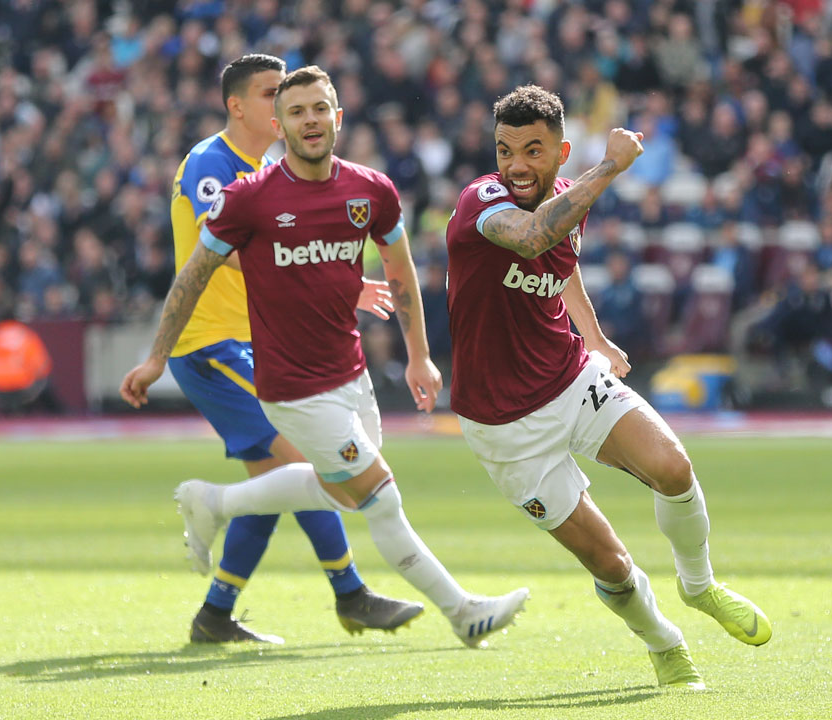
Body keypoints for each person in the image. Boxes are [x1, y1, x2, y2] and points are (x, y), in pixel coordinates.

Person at [120, 65, 528, 649]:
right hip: (286, 383)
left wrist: (418, 357)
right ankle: (458, 611)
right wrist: (158, 357)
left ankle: (215, 504)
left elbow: (400, 269)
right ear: (278, 124)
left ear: (338, 117)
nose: (308, 119)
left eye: (319, 109)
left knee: (337, 488)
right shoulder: (246, 193)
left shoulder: (371, 189)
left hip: (351, 372)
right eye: (292, 109)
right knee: (379, 496)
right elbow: (195, 272)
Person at [443, 86, 772, 689]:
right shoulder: (480, 202)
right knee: (611, 564)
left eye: (533, 151)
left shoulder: (571, 195)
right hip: (504, 427)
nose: (516, 165)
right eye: (505, 150)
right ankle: (664, 644)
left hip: (570, 379)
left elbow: (560, 265)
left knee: (673, 468)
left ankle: (698, 586)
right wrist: (612, 166)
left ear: (560, 152)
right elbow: (533, 238)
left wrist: (594, 336)